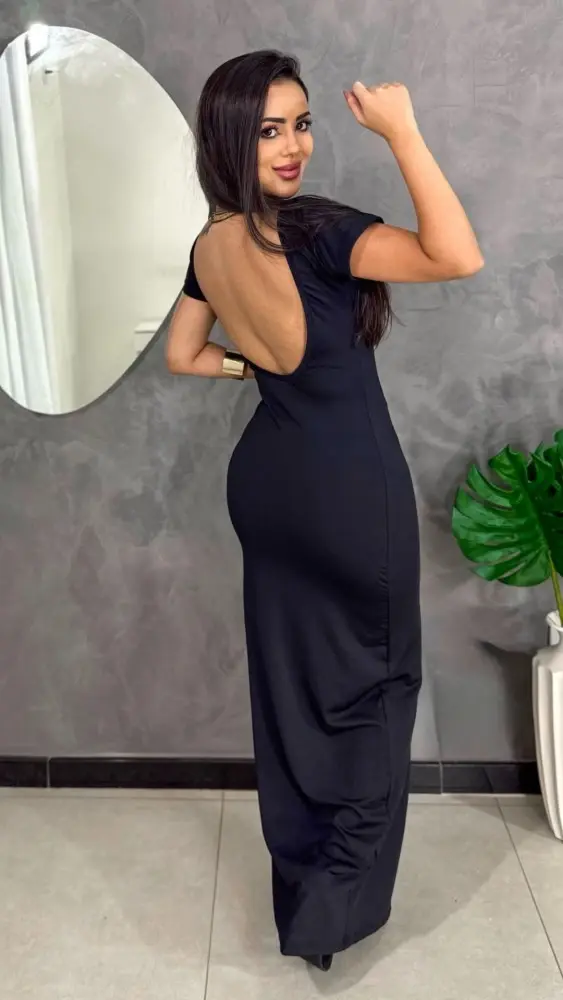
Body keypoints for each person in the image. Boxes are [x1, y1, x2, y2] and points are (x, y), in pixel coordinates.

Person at [166, 50, 484, 972]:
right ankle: (326, 915)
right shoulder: (312, 228)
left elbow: (184, 356)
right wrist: (403, 132)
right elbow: (456, 255)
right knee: (374, 690)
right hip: (345, 491)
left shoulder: (210, 245)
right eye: (269, 130)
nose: (293, 145)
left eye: (301, 124)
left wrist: (262, 371)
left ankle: (304, 891)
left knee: (294, 692)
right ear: (229, 137)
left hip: (268, 487)